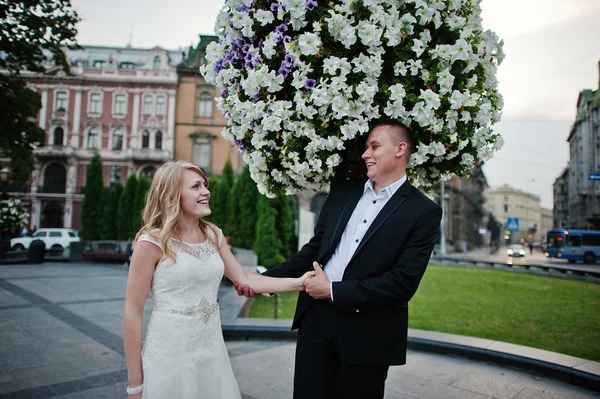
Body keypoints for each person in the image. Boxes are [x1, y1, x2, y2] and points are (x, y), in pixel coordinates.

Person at [237, 122, 442, 399]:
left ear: (400, 149)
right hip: (316, 321)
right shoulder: (344, 192)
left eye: (374, 146)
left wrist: (333, 290)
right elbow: (315, 250)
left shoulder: (423, 211)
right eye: (366, 147)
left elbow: (402, 283)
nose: (365, 154)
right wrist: (265, 280)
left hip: (369, 332)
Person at [122, 160, 314, 399]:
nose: (206, 191)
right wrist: (135, 385)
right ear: (172, 194)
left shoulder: (213, 234)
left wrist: (300, 283)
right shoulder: (150, 243)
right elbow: (132, 313)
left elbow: (244, 278)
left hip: (212, 351)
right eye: (196, 186)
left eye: (205, 185)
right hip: (169, 353)